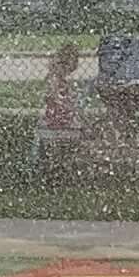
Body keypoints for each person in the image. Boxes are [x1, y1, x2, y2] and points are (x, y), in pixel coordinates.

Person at [31, 41, 84, 179]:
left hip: (59, 118)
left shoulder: (59, 78)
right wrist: (68, 103)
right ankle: (59, 169)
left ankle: (60, 167)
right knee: (80, 131)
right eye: (70, 67)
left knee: (81, 129)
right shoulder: (54, 79)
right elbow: (53, 98)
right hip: (56, 120)